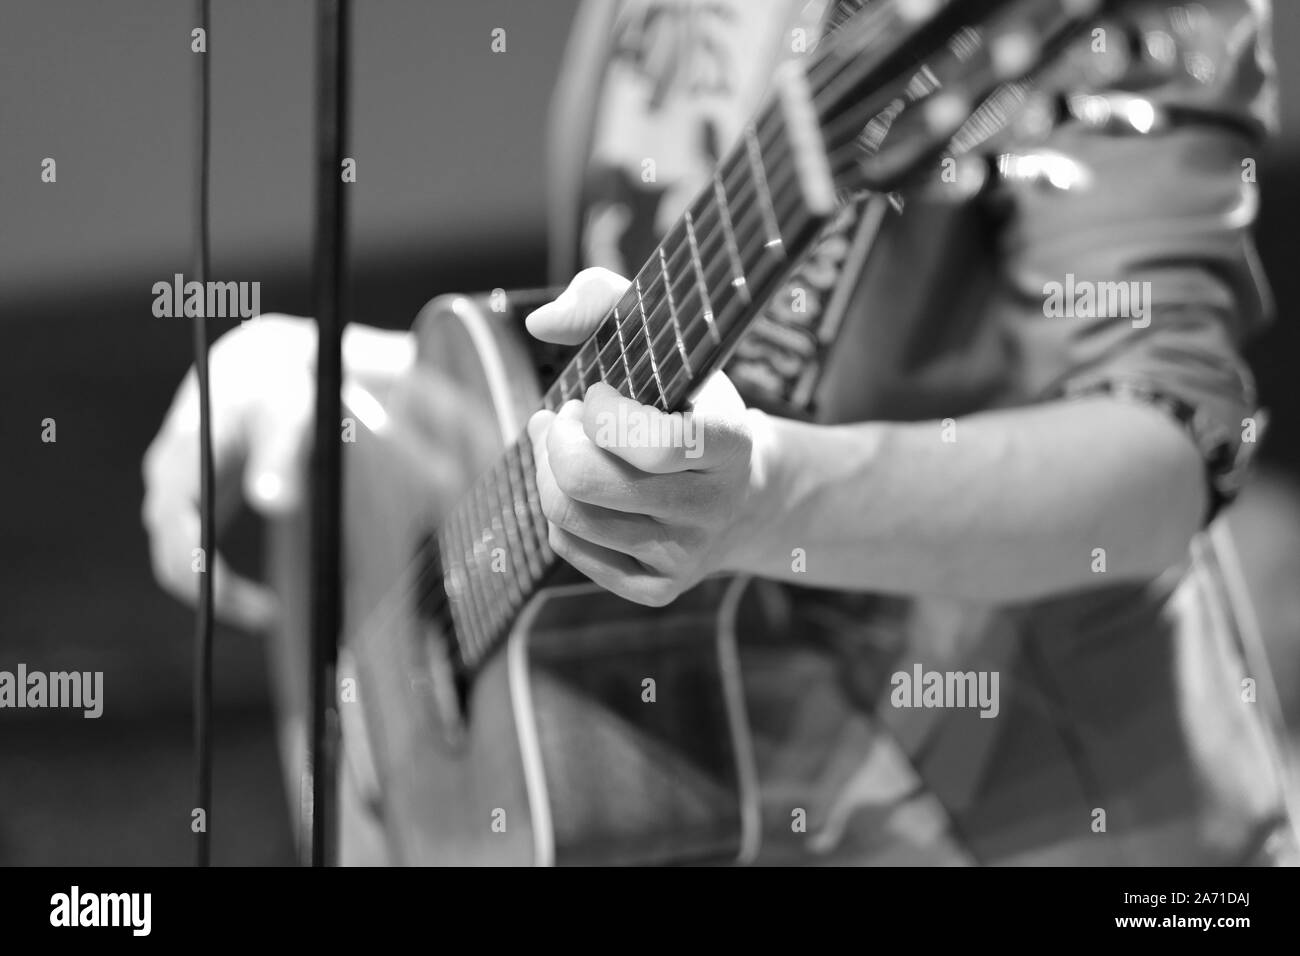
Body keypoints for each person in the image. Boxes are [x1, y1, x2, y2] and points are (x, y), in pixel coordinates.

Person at [143, 0, 1298, 864]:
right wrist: (387, 391)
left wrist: (774, 502)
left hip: (1038, 817)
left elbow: (1163, 448)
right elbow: (656, 345)